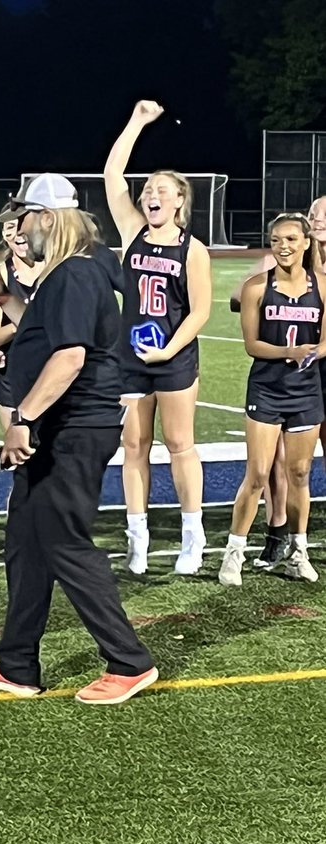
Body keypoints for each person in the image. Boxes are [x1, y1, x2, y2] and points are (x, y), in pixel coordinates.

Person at [0, 173, 158, 706]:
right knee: (26, 541)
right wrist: (8, 303)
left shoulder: (74, 272)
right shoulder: (79, 269)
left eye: (24, 218)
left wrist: (22, 418)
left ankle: (129, 660)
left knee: (64, 540)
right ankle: (17, 663)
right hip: (64, 425)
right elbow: (50, 333)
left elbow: (70, 356)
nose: (18, 229)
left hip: (72, 427)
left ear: (47, 218)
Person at [104, 100, 212, 577]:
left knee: (179, 444)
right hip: (131, 358)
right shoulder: (131, 233)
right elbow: (112, 174)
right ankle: (138, 539)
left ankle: (193, 535)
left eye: (161, 191)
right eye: (147, 189)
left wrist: (170, 348)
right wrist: (137, 122)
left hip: (173, 355)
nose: (151, 195)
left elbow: (201, 310)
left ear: (178, 202)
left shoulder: (193, 248)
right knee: (134, 446)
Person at [219, 213, 326, 587]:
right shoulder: (255, 288)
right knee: (258, 474)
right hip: (266, 390)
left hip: (306, 392)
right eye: (277, 240)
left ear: (306, 243)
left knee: (299, 474)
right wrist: (292, 351)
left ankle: (299, 552)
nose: (284, 246)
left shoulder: (323, 286)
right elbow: (252, 345)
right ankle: (234, 553)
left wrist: (314, 352)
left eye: (292, 239)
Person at [0, 203, 41, 430]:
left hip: (50, 374)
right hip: (12, 380)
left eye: (22, 225)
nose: (17, 234)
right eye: (10, 227)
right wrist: (26, 321)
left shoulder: (56, 268)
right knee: (21, 457)